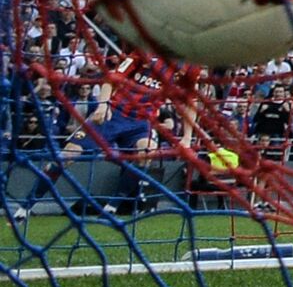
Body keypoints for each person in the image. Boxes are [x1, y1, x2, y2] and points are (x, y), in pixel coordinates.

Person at [13, 54, 192, 220]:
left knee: (146, 152)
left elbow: (192, 103)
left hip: (141, 123)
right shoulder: (142, 54)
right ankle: (26, 206)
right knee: (67, 156)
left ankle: (111, 207)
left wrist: (187, 137)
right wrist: (103, 105)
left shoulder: (186, 67)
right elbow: (110, 79)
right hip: (112, 114)